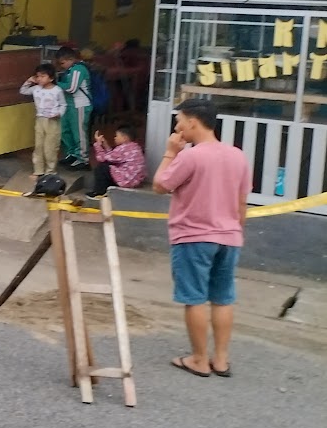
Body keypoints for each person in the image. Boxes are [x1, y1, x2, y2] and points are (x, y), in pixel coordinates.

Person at [154, 99, 250, 379]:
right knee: (222, 298)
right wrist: (236, 231)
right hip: (229, 236)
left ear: (193, 122)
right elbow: (242, 202)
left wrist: (170, 153)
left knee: (194, 298)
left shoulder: (191, 156)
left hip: (193, 236)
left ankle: (199, 359)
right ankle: (221, 360)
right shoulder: (237, 155)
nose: (177, 127)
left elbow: (160, 185)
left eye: (179, 120)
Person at [20, 63, 64, 183]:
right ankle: (38, 171)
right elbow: (23, 91)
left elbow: (63, 104)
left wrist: (59, 113)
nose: (39, 79)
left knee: (50, 147)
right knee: (38, 146)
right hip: (40, 120)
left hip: (53, 121)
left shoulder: (57, 91)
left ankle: (50, 171)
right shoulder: (35, 89)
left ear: (51, 78)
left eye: (43, 76)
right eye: (38, 76)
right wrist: (29, 80)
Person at [56, 47, 93, 169]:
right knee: (65, 130)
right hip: (70, 105)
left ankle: (83, 159)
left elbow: (72, 88)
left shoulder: (78, 69)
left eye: (63, 63)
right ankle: (72, 153)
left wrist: (56, 84)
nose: (62, 66)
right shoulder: (71, 70)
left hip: (80, 105)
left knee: (79, 133)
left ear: (70, 59)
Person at [89, 126, 147, 197]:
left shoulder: (124, 148)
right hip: (133, 180)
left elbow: (102, 158)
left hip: (127, 180)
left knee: (102, 167)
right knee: (108, 166)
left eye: (116, 136)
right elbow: (113, 157)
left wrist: (98, 145)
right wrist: (106, 145)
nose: (114, 138)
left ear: (125, 138)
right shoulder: (134, 147)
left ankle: (99, 193)